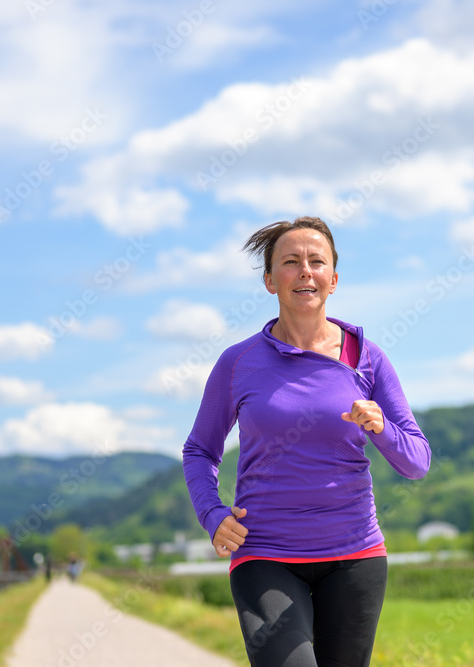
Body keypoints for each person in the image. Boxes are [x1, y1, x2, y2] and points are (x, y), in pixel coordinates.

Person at [182, 216, 431, 666]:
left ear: (333, 280)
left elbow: (416, 462)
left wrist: (381, 429)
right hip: (265, 554)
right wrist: (212, 514)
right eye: (291, 262)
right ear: (269, 280)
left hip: (355, 556)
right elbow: (200, 450)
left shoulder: (366, 358)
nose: (305, 271)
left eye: (317, 262)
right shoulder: (238, 363)